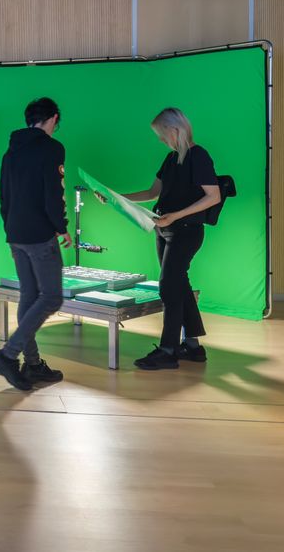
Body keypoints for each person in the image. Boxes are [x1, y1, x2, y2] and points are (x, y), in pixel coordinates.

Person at [114, 107, 220, 370]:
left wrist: (176, 215)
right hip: (164, 230)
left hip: (186, 232)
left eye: (162, 134)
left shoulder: (199, 156)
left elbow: (213, 196)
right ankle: (193, 347)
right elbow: (152, 192)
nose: (161, 139)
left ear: (176, 130)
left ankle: (168, 350)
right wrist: (119, 197)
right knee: (179, 285)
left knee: (169, 288)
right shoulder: (171, 159)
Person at [0, 98, 71, 391]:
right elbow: (53, 194)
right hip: (39, 235)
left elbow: (5, 197)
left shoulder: (11, 152)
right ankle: (8, 355)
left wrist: (10, 232)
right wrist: (62, 228)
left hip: (17, 233)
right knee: (51, 298)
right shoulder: (52, 148)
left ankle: (33, 365)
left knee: (30, 295)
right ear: (54, 118)